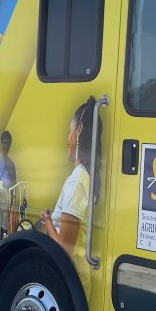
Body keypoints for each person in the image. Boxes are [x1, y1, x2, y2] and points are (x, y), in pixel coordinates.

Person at [40, 97, 100, 283]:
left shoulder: (77, 181)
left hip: (70, 276)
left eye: (70, 131)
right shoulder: (85, 176)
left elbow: (64, 249)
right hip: (75, 275)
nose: (67, 140)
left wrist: (47, 221)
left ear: (79, 131)